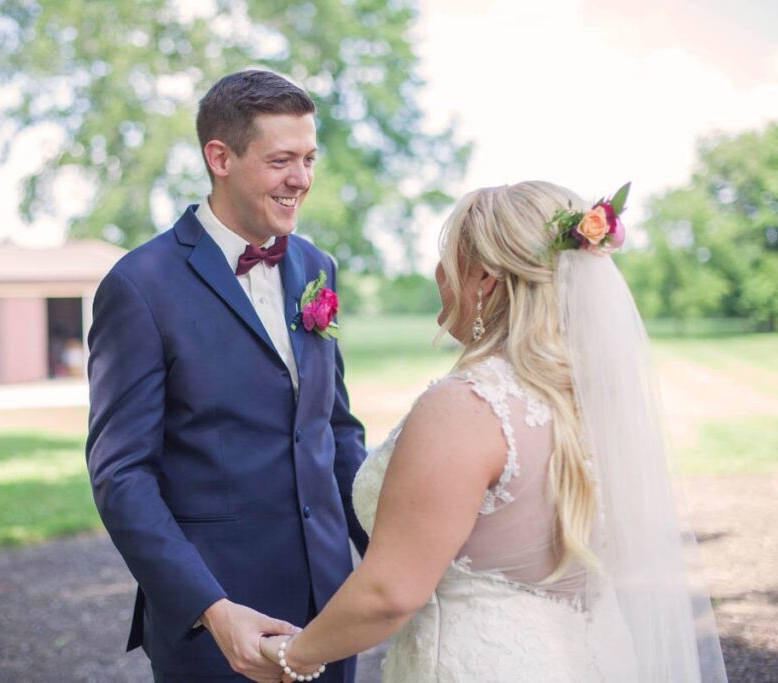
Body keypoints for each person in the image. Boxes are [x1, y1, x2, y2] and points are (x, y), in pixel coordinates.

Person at [260, 181, 729, 682]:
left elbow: (390, 593)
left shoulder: (464, 407)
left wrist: (293, 653)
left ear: (483, 279)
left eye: (446, 259)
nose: (437, 274)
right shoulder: (596, 399)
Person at [85, 70, 368, 683]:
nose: (302, 179)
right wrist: (212, 611)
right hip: (219, 625)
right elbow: (121, 475)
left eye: (309, 158)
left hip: (331, 614)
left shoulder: (318, 266)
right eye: (281, 160)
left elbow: (335, 432)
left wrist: (386, 559)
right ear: (220, 157)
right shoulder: (139, 286)